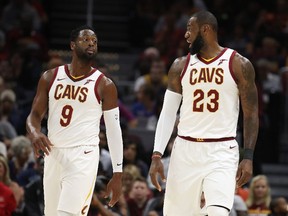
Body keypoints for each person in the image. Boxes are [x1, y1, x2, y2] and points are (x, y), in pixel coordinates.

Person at [149, 10, 259, 216]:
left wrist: (248, 156)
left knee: (219, 212)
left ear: (205, 29)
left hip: (221, 149)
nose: (186, 35)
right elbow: (167, 113)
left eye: (190, 29)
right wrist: (157, 154)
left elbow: (251, 114)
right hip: (184, 150)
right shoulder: (179, 65)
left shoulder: (238, 64)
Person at [26, 25, 123, 216]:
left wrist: (118, 173)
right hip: (53, 154)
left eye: (94, 41)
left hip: (83, 155)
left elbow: (114, 130)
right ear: (72, 45)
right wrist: (35, 132)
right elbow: (34, 116)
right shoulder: (50, 77)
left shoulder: (105, 84)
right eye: (85, 39)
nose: (91, 44)